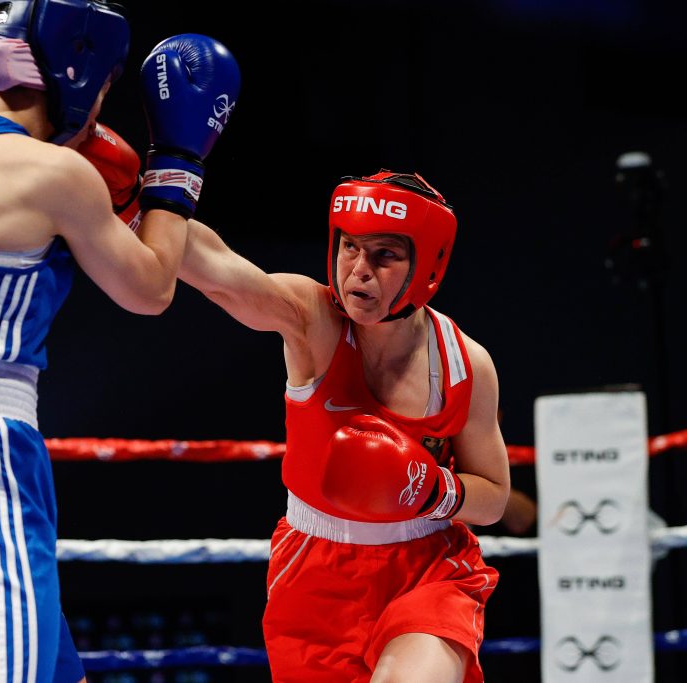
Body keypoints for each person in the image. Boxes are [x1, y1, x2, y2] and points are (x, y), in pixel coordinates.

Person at [0, 2, 240, 681]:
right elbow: (152, 287)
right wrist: (177, 160)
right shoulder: (52, 174)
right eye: (104, 85)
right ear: (80, 71)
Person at [178, 171, 511, 682]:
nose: (359, 270)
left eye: (384, 255)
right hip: (314, 572)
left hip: (426, 569)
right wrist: (139, 192)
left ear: (427, 265)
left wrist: (430, 491)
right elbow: (218, 269)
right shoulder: (311, 318)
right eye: (350, 247)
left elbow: (493, 498)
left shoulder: (465, 363)